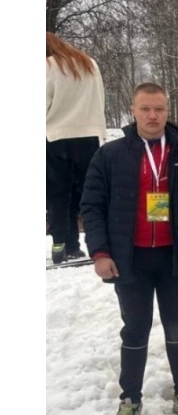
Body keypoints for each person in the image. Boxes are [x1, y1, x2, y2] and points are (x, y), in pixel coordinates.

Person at [81, 83, 178, 415]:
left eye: (159, 108)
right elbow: (92, 206)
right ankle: (130, 397)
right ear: (133, 110)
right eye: (145, 108)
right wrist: (99, 252)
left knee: (177, 325)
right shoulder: (111, 155)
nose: (153, 115)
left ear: (167, 111)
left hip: (176, 257)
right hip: (130, 260)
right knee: (135, 328)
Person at [46, 31, 106, 264]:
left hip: (56, 136)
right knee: (89, 192)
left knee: (59, 193)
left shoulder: (48, 66)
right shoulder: (89, 63)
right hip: (88, 134)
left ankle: (61, 244)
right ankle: (96, 242)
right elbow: (99, 97)